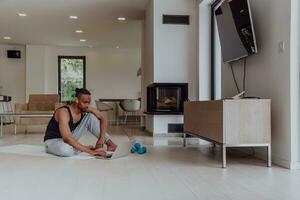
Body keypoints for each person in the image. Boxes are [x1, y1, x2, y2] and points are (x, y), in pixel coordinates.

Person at [43, 88, 117, 157]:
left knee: (90, 117)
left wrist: (101, 138)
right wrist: (91, 151)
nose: (87, 105)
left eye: (88, 103)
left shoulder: (85, 108)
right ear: (76, 100)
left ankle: (111, 144)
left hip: (70, 137)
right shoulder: (63, 112)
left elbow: (103, 118)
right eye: (85, 102)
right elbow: (67, 139)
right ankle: (80, 148)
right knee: (65, 150)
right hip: (53, 141)